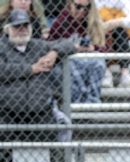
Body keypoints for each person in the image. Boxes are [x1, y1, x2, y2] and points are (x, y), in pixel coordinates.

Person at [0, 9, 76, 147]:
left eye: (25, 26)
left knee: (49, 135)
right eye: (17, 26)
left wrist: (54, 53)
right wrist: (31, 69)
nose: (22, 30)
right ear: (7, 29)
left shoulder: (39, 46)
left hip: (39, 112)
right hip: (7, 112)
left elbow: (68, 44)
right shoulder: (1, 47)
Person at [49, 0, 106, 103]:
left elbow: (102, 47)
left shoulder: (92, 21)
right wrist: (73, 48)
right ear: (70, 4)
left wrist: (93, 48)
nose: (82, 11)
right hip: (66, 61)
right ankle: (81, 102)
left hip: (87, 60)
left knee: (99, 62)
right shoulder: (60, 22)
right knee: (72, 66)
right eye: (78, 7)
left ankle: (93, 100)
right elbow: (50, 46)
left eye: (86, 8)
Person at [95, 0, 130, 88]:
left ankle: (125, 73)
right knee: (102, 31)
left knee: (120, 30)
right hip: (100, 35)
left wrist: (116, 22)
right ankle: (106, 72)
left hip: (118, 38)